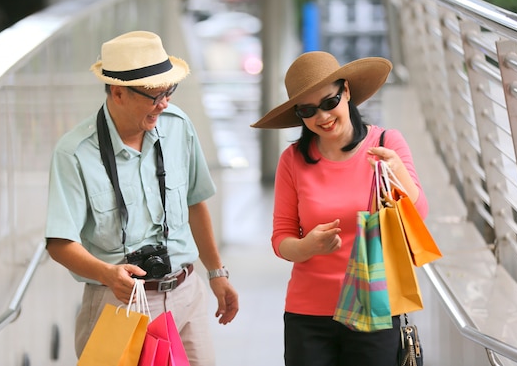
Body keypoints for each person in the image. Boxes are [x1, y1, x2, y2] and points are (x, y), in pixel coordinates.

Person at [45, 30, 239, 365]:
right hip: (116, 304)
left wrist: (216, 273)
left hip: (185, 294)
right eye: (154, 96)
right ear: (118, 93)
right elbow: (59, 243)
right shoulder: (74, 153)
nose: (165, 103)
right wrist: (107, 273)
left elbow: (195, 203)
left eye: (169, 91)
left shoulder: (178, 126)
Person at [251, 51, 429, 366]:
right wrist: (308, 246)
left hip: (376, 308)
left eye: (329, 102)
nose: (322, 116)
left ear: (345, 91)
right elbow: (281, 240)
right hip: (308, 316)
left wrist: (398, 170)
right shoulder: (292, 160)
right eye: (308, 109)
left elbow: (418, 216)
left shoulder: (387, 143)